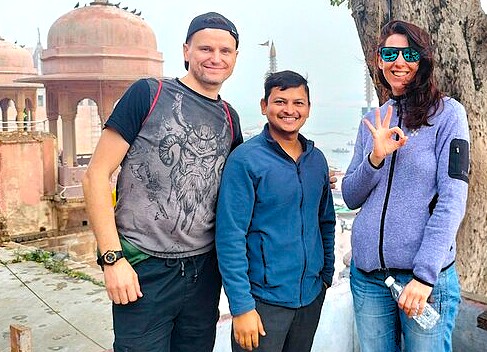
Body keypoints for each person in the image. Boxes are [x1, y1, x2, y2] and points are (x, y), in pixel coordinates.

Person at [82, 12, 243, 352]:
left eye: (225, 51)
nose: (215, 58)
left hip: (203, 271)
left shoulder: (230, 118)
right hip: (144, 268)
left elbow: (237, 194)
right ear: (186, 51)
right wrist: (112, 260)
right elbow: (96, 175)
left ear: (235, 58)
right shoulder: (148, 93)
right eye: (205, 48)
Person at [342, 20, 469, 352]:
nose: (399, 62)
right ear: (379, 60)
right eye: (389, 53)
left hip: (422, 281)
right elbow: (351, 196)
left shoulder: (448, 115)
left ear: (422, 59)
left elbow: (453, 199)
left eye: (408, 53)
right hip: (368, 278)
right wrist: (375, 158)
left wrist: (425, 276)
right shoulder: (372, 120)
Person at [216, 70, 336, 352]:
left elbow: (325, 221)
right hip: (262, 303)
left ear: (308, 108)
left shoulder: (315, 160)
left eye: (298, 103)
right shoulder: (245, 160)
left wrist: (326, 275)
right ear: (264, 106)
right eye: (280, 101)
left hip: (309, 297)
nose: (289, 110)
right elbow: (230, 237)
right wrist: (242, 306)